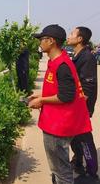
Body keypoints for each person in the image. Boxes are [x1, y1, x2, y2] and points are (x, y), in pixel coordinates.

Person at [28, 24, 92, 184]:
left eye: (42, 39)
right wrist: (41, 95)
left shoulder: (62, 65)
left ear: (51, 41)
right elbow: (61, 90)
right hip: (55, 123)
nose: (40, 43)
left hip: (57, 126)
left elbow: (66, 96)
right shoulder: (56, 61)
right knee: (58, 169)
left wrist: (41, 100)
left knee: (61, 172)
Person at [67, 26, 98, 178]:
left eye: (72, 33)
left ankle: (92, 173)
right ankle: (78, 162)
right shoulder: (77, 54)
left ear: (80, 39)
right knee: (75, 138)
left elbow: (88, 86)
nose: (69, 35)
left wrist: (79, 109)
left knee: (84, 139)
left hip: (82, 107)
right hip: (76, 106)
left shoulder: (87, 57)